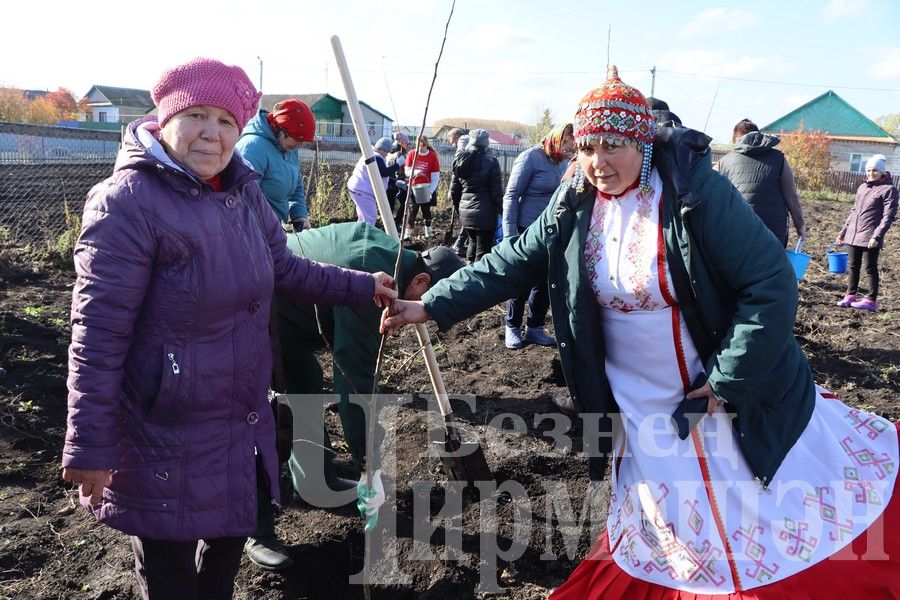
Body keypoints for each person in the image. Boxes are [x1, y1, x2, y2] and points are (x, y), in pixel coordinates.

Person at [383, 67, 899, 598]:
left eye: (613, 146)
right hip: (637, 402)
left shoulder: (695, 194)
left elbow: (770, 284)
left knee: (753, 506)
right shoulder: (574, 203)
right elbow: (511, 263)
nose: (597, 162)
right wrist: (428, 304)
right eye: (586, 147)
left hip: (711, 391)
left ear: (641, 141)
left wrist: (726, 380)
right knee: (667, 519)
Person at [60, 58, 397, 600]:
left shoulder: (240, 195)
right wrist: (89, 444)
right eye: (197, 115)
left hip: (236, 418)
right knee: (171, 576)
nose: (211, 133)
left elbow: (285, 267)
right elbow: (96, 339)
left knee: (222, 566)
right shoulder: (126, 204)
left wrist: (362, 286)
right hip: (162, 428)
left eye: (225, 121)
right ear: (166, 118)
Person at [245, 223, 465, 569]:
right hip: (250, 312)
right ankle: (257, 528)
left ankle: (317, 480)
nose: (419, 316)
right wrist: (369, 466)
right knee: (261, 416)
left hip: (291, 317)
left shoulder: (389, 255)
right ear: (421, 282)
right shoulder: (377, 286)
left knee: (305, 379)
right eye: (427, 305)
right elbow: (354, 381)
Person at [501, 122, 575, 349]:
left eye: (570, 142)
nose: (568, 146)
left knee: (545, 282)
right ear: (555, 139)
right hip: (525, 229)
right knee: (521, 280)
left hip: (551, 231)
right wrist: (509, 234)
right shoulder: (530, 157)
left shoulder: (563, 163)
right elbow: (511, 196)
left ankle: (534, 327)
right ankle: (512, 326)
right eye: (565, 142)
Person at [718, 118, 805, 247]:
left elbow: (718, 199)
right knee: (772, 265)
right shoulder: (778, 158)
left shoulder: (725, 161)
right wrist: (800, 226)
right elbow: (791, 195)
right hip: (773, 230)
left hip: (738, 228)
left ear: (736, 139)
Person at [236, 98, 316, 230]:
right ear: (281, 130)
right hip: (253, 230)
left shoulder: (289, 148)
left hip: (273, 228)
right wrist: (269, 231)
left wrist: (299, 215)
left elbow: (296, 186)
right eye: (297, 140)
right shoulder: (254, 149)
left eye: (302, 142)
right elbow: (244, 200)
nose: (299, 145)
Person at [836, 154, 898, 312]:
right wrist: (843, 231)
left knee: (870, 267)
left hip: (870, 236)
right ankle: (850, 295)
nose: (871, 173)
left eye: (875, 170)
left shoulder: (889, 190)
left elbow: (888, 216)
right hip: (853, 234)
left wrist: (877, 236)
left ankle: (871, 300)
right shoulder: (862, 187)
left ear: (882, 171)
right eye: (869, 170)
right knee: (852, 266)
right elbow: (853, 211)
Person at [450, 129, 504, 263]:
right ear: (486, 143)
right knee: (483, 251)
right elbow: (497, 192)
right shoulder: (492, 161)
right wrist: (501, 211)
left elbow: (454, 190)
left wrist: (459, 209)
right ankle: (478, 279)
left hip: (466, 211)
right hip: (486, 213)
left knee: (472, 243)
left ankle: (468, 269)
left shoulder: (460, 159)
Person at [346, 136, 402, 225]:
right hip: (363, 191)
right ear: (381, 149)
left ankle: (358, 237)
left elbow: (377, 175)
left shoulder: (371, 155)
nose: (387, 154)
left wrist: (395, 182)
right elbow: (384, 172)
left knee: (363, 218)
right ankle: (366, 238)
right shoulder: (376, 157)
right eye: (386, 152)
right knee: (370, 218)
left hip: (358, 189)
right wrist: (398, 164)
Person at [402, 135, 441, 239]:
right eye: (418, 146)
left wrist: (430, 191)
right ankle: (407, 234)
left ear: (426, 145)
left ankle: (428, 232)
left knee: (426, 211)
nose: (420, 148)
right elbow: (407, 171)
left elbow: (435, 176)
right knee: (412, 211)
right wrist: (415, 172)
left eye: (422, 146)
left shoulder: (432, 156)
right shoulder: (412, 154)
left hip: (426, 187)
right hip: (413, 187)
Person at [386, 131, 410, 217]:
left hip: (389, 182)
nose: (407, 145)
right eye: (407, 143)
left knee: (390, 205)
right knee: (405, 203)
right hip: (398, 183)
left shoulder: (389, 152)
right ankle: (397, 222)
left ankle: (389, 223)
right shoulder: (401, 154)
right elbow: (401, 171)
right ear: (403, 143)